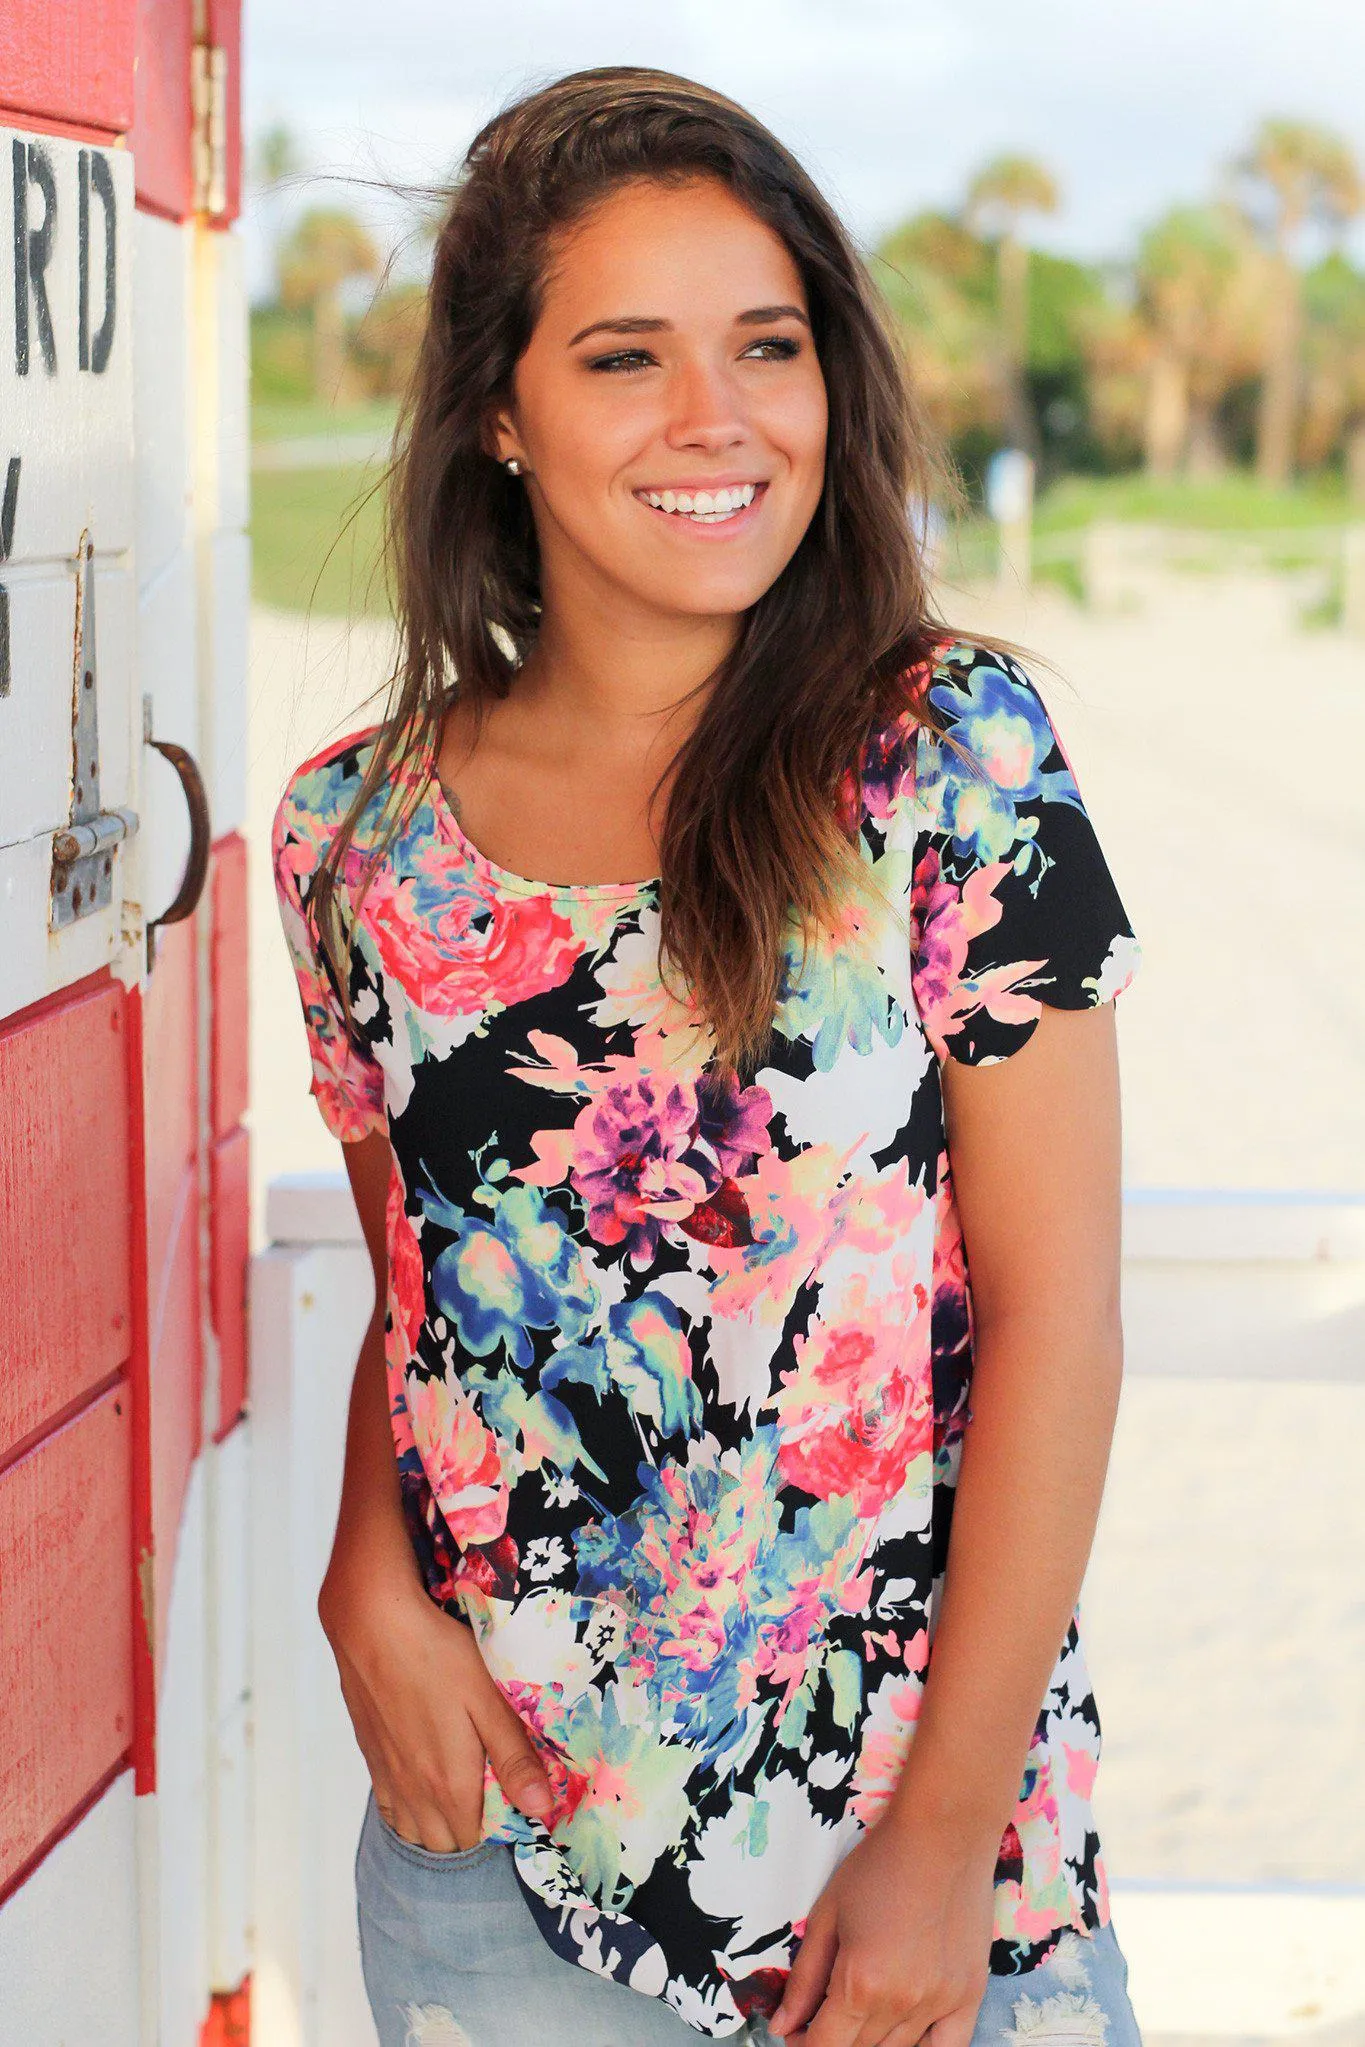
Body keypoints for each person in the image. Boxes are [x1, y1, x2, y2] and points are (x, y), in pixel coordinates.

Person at [271, 65, 1144, 2047]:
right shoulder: (351, 839)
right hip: (496, 1863)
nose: (715, 419)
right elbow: (428, 1299)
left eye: (765, 345)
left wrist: (940, 1850)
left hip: (899, 1888)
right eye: (622, 357)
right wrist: (365, 1586)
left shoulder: (948, 758)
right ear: (499, 414)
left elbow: (1058, 1320)